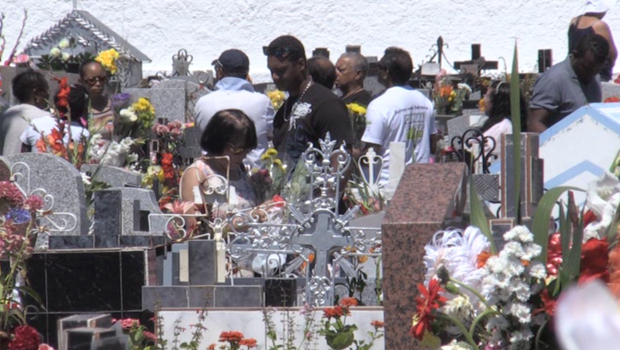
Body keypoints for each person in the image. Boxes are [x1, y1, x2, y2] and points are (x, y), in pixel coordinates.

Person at [265, 35, 354, 167]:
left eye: (281, 70)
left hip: (317, 186)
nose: (275, 77)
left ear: (300, 64)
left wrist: (330, 188)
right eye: (271, 71)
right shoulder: (285, 108)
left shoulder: (327, 104)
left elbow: (342, 161)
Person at [361, 47, 437, 187]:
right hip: (420, 181)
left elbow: (372, 152)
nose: (377, 72)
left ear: (386, 73)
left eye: (379, 68)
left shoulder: (379, 105)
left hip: (389, 184)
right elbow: (432, 144)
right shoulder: (425, 102)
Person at [194, 49, 274, 169]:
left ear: (220, 71)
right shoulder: (263, 102)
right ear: (247, 73)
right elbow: (271, 135)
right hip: (254, 178)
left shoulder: (203, 102)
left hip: (213, 176)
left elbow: (199, 139)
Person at [180, 109, 260, 217]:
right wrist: (250, 218)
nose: (243, 156)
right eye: (237, 150)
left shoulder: (238, 169)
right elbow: (197, 229)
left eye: (247, 150)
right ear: (218, 142)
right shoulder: (197, 174)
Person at [528, 33, 609, 132]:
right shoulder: (553, 80)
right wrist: (556, 145)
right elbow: (534, 123)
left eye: (596, 70)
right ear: (575, 55)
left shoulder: (595, 78)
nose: (591, 74)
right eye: (587, 68)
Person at [20, 84, 90, 152]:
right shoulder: (84, 134)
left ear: (56, 104)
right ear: (84, 108)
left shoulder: (35, 124)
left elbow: (22, 158)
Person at [0, 70, 51, 156]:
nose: (48, 98)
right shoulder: (45, 118)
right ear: (37, 94)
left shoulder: (4, 116)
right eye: (46, 93)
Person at [568, 0, 617, 82]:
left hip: (576, 71)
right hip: (596, 74)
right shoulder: (599, 25)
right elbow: (612, 53)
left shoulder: (574, 21)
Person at [479, 81, 527, 158]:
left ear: (496, 102)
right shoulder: (496, 124)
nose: (484, 100)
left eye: (486, 97)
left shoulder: (503, 127)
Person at [79, 60, 114, 138]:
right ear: (81, 82)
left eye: (102, 79)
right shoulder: (79, 111)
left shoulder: (117, 107)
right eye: (91, 80)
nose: (98, 84)